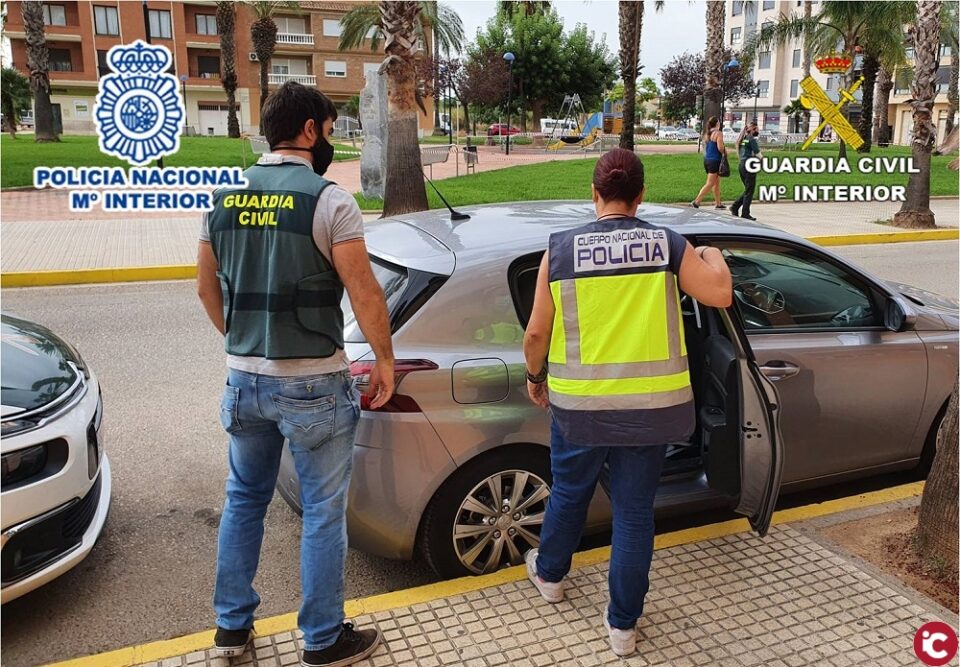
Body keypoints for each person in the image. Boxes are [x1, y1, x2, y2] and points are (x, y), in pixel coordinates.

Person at [196, 81, 395, 667]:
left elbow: (207, 289)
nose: (331, 140)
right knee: (322, 512)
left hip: (243, 379)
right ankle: (323, 639)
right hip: (312, 382)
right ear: (310, 130)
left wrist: (242, 344)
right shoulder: (329, 200)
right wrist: (383, 361)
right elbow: (364, 292)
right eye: (331, 129)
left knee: (243, 501)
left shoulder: (223, 196)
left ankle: (231, 629)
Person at [521, 149, 732, 657]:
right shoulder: (666, 245)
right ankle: (622, 628)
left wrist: (535, 377)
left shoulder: (561, 251)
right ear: (640, 197)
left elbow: (536, 333)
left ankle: (550, 577)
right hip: (651, 409)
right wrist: (710, 253)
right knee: (635, 514)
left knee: (570, 493)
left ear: (593, 195)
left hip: (579, 407)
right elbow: (720, 294)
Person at [691, 116, 727, 209]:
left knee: (716, 183)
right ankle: (697, 201)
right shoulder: (718, 133)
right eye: (719, 122)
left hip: (707, 160)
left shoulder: (708, 133)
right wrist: (725, 152)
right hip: (715, 160)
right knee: (710, 183)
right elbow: (720, 147)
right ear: (717, 124)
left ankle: (718, 203)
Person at [731, 122, 761, 221]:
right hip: (750, 166)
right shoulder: (751, 139)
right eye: (757, 129)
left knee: (748, 190)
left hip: (742, 165)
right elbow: (758, 154)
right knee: (749, 191)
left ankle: (735, 207)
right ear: (752, 129)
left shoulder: (743, 139)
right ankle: (745, 213)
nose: (758, 131)